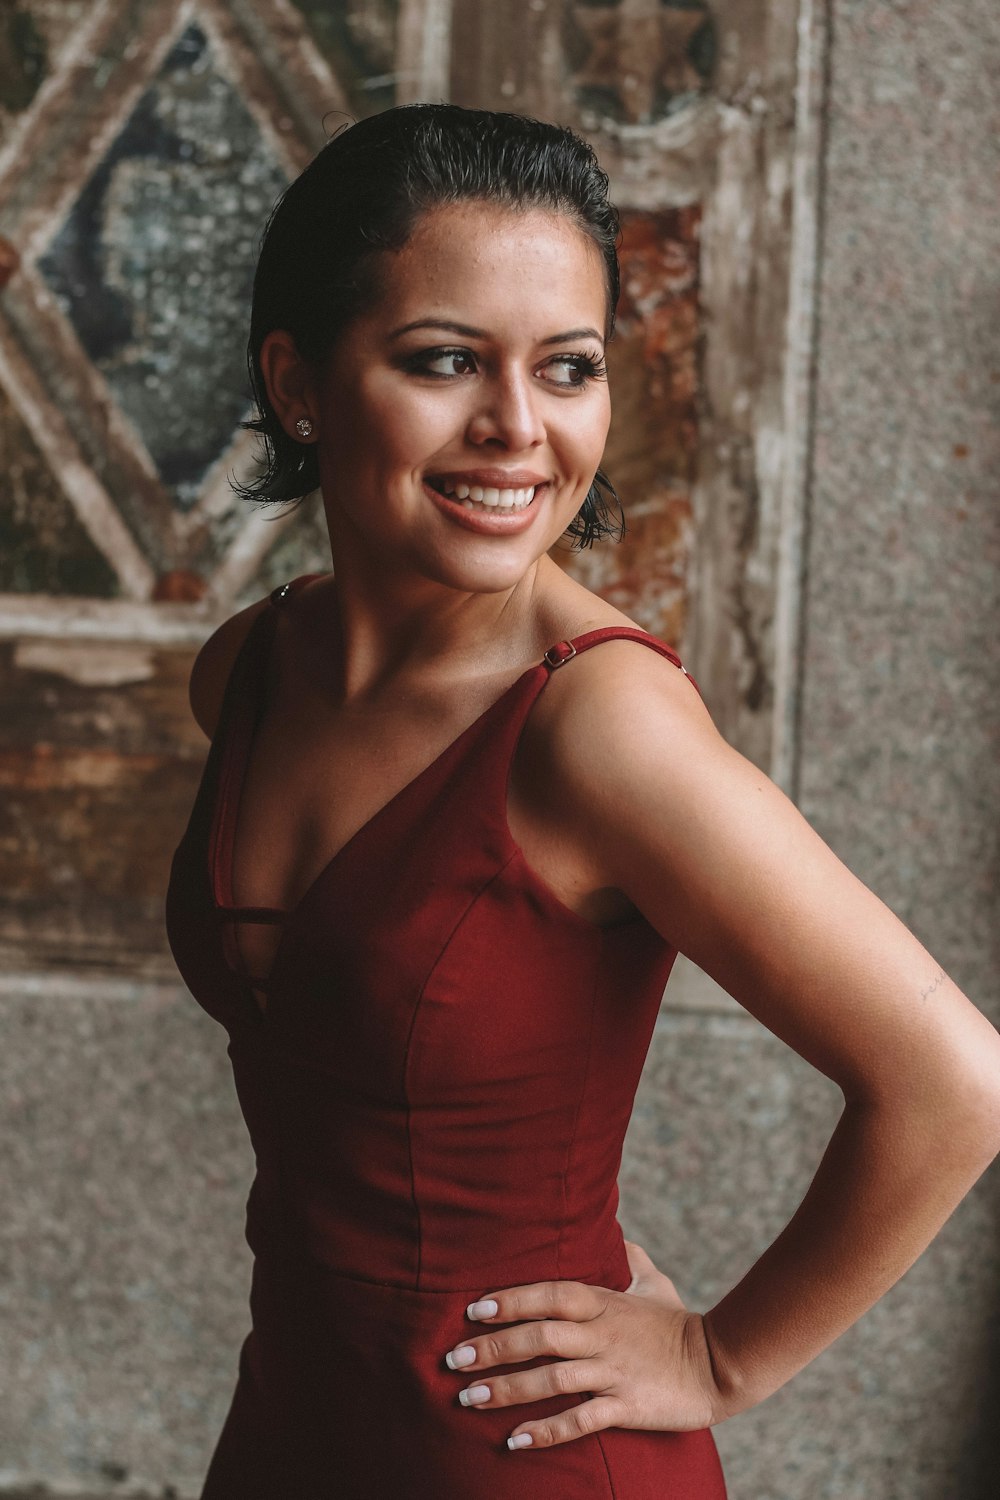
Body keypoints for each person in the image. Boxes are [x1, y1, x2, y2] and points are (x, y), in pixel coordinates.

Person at [165, 102, 1000, 1498]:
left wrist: (722, 1361)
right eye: (443, 361)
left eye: (568, 369)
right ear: (299, 382)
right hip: (288, 1431)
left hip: (532, 1463)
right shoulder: (249, 669)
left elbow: (952, 1087)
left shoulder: (600, 730)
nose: (518, 429)